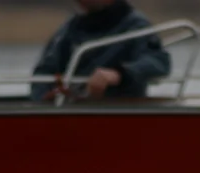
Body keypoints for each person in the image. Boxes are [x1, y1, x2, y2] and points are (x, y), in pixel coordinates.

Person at [30, 0, 171, 102]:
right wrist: (45, 97)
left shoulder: (136, 26)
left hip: (120, 113)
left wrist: (119, 74)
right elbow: (43, 73)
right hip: (73, 113)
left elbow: (158, 61)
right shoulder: (69, 29)